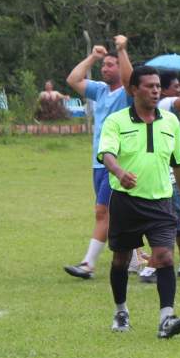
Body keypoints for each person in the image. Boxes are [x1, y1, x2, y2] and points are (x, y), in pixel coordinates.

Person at [97, 64, 180, 338]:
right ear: (133, 89)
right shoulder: (116, 121)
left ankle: (166, 319)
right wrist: (119, 172)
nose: (155, 91)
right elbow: (107, 154)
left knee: (163, 257)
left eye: (158, 86)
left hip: (162, 201)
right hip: (126, 201)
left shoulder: (171, 121)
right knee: (120, 260)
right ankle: (121, 311)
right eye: (149, 86)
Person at [124, 58, 180, 282]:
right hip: (165, 178)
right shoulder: (164, 105)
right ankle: (150, 270)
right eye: (175, 87)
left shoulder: (168, 113)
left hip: (174, 176)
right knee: (170, 224)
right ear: (162, 91)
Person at [62, 38, 132, 280]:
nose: (106, 69)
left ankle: (88, 264)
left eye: (111, 65)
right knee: (117, 213)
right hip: (97, 162)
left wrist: (122, 51)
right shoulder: (100, 90)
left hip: (117, 162)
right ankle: (137, 256)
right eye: (105, 65)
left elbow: (130, 78)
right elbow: (73, 80)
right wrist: (93, 56)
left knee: (103, 212)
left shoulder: (127, 93)